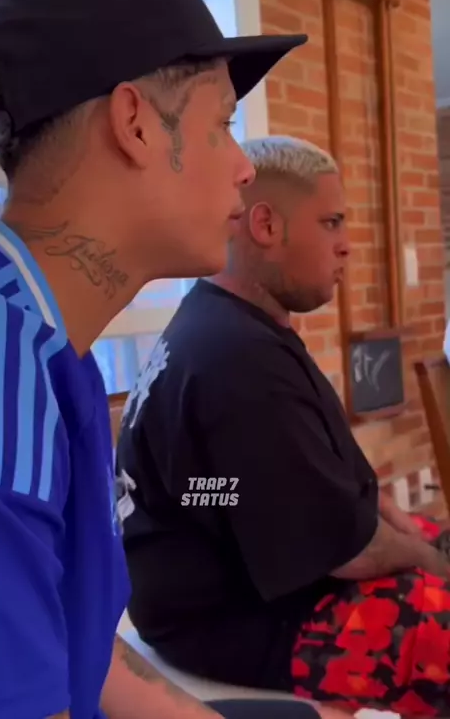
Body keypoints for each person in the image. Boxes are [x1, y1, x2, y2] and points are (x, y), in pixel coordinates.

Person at [0, 0, 346, 719]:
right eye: (223, 123)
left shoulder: (52, 347)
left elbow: (81, 644)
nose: (244, 166)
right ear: (136, 124)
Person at [118, 134, 450, 718]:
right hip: (239, 620)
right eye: (331, 222)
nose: (347, 245)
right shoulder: (236, 358)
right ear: (266, 225)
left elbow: (325, 483)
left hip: (258, 577)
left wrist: (414, 535)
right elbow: (347, 551)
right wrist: (432, 562)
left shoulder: (233, 325)